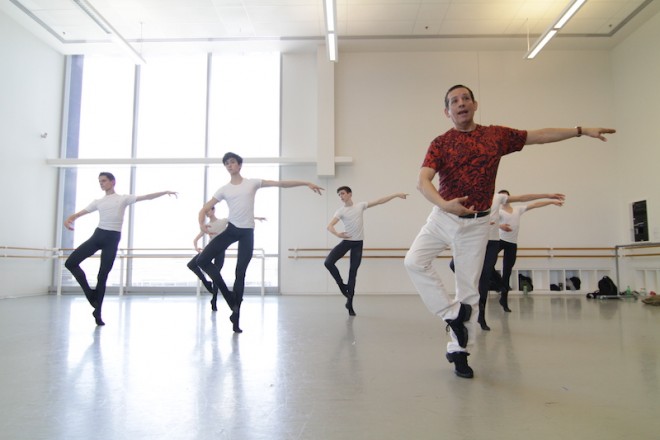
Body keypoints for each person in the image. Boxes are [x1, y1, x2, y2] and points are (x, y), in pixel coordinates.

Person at [403, 84, 615, 379]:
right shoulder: (440, 142)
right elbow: (422, 181)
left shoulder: (496, 136)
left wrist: (580, 130)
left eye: (466, 98)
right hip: (442, 216)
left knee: (469, 290)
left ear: (475, 105)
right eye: (454, 101)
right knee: (413, 261)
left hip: (476, 224)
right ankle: (451, 315)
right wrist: (444, 204)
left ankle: (460, 351)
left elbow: (538, 136)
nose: (461, 103)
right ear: (447, 111)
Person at [197, 152, 323, 333]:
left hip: (247, 233)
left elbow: (280, 184)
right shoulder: (223, 189)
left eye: (232, 162)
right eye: (226, 164)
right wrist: (201, 224)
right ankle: (228, 296)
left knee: (240, 273)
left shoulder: (252, 183)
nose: (229, 165)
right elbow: (204, 208)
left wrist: (305, 183)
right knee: (202, 260)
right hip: (231, 230)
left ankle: (236, 318)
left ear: (239, 165)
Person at [64, 172, 177, 326]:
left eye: (103, 181)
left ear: (112, 182)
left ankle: (98, 312)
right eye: (99, 181)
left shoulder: (123, 198)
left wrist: (164, 192)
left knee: (102, 276)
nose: (101, 184)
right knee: (70, 263)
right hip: (98, 236)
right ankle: (90, 294)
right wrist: (70, 218)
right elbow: (81, 213)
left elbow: (146, 197)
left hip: (113, 239)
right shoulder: (98, 201)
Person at [449, 191, 565, 330]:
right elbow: (461, 215)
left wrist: (549, 197)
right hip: (475, 239)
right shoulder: (473, 196)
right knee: (453, 265)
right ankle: (494, 284)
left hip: (492, 241)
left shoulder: (499, 199)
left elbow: (523, 197)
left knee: (486, 275)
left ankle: (481, 316)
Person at [325, 186, 408, 316]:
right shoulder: (340, 211)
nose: (341, 196)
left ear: (350, 194)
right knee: (328, 262)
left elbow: (380, 201)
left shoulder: (360, 206)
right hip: (347, 242)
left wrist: (396, 194)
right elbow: (329, 226)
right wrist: (337, 234)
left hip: (358, 244)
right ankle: (341, 285)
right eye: (339, 195)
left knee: (353, 273)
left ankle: (350, 304)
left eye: (342, 193)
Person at [497, 190, 564, 311]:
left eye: (505, 197)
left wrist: (551, 202)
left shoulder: (517, 209)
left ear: (509, 198)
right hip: (500, 241)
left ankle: (504, 300)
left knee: (507, 271)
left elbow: (534, 204)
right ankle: (496, 284)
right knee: (487, 263)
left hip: (512, 244)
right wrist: (499, 226)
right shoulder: (499, 212)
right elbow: (488, 222)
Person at [187, 207, 264, 298]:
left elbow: (239, 218)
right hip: (209, 251)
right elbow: (196, 239)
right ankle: (206, 282)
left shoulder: (223, 221)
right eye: (205, 212)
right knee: (191, 264)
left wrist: (256, 218)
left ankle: (214, 300)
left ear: (213, 210)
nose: (207, 213)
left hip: (220, 251)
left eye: (208, 211)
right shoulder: (207, 226)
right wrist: (196, 247)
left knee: (215, 275)